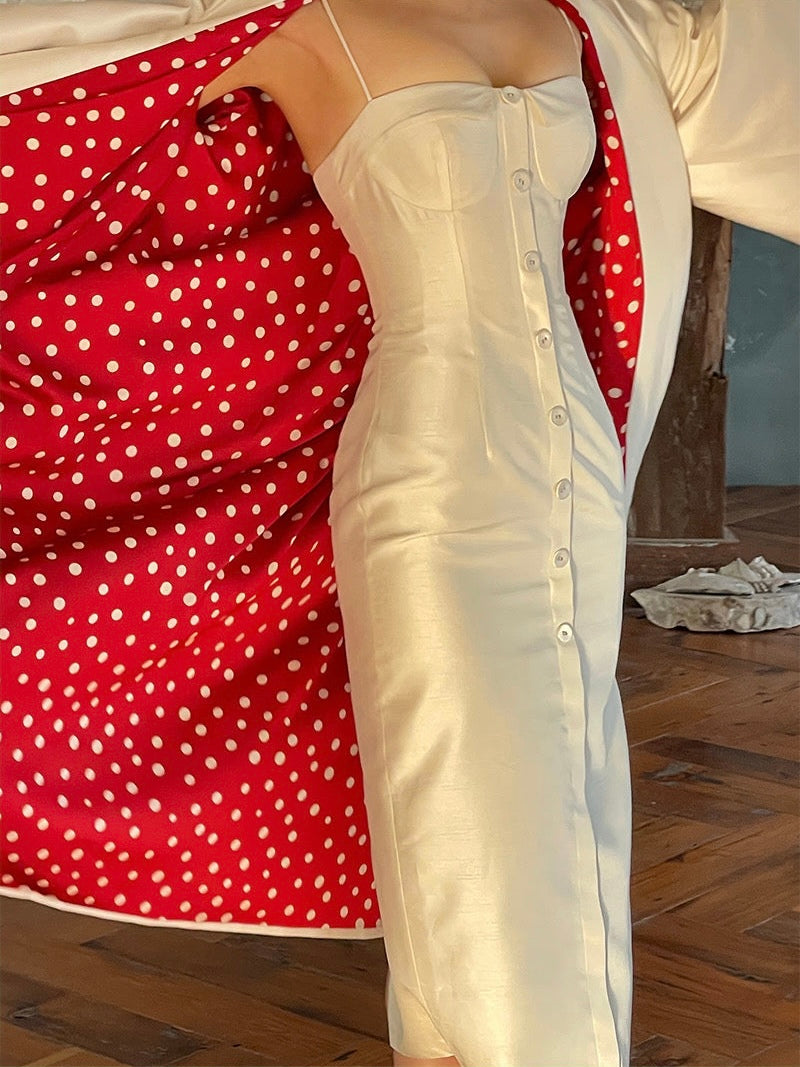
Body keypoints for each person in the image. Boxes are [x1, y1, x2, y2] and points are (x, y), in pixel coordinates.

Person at [1, 2, 797, 1065]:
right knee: (473, 823)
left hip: (572, 464)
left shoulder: (600, 22)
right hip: (426, 474)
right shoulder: (295, 19)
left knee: (565, 802)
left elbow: (763, 104)